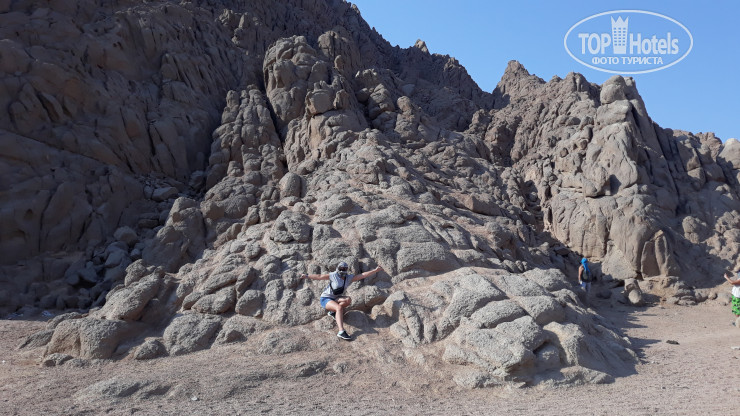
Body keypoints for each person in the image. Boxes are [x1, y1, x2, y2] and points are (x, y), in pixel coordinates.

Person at [300, 261, 383, 341]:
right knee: (339, 308)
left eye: (344, 268)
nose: (342, 270)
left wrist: (375, 270)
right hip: (326, 298)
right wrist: (306, 276)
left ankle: (332, 312)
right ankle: (341, 331)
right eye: (341, 268)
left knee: (348, 300)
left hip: (336, 298)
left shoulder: (348, 278)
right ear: (338, 268)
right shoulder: (333, 275)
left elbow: (362, 275)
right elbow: (319, 276)